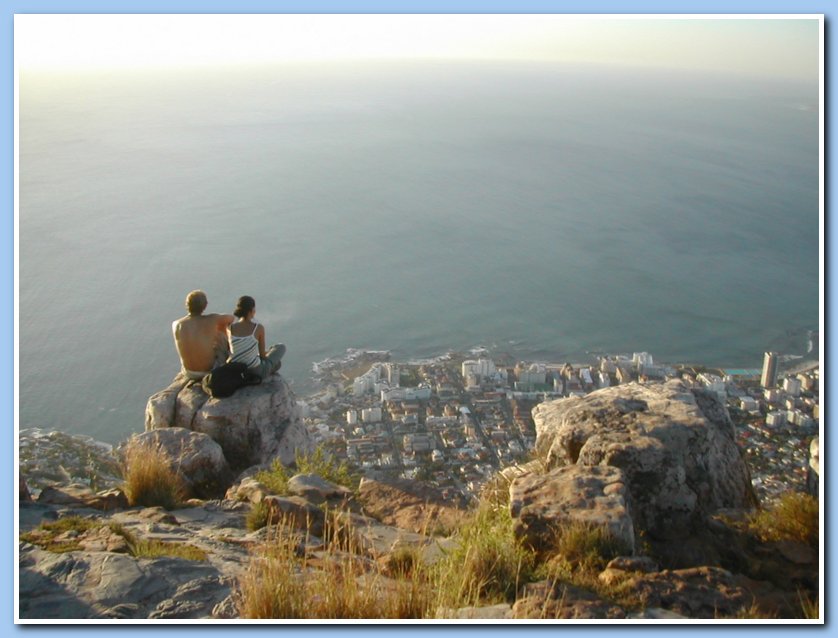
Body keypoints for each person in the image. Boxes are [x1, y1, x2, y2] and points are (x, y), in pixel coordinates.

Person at [172, 290, 235, 381]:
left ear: (187, 305)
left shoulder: (176, 324)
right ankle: (230, 357)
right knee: (220, 332)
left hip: (189, 372)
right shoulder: (212, 319)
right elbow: (231, 319)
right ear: (205, 305)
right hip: (210, 370)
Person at [227, 295, 286, 380]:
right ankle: (270, 366)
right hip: (255, 371)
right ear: (251, 311)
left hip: (235, 369)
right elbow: (262, 355)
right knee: (281, 348)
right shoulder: (258, 328)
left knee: (274, 363)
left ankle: (270, 365)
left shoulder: (230, 328)